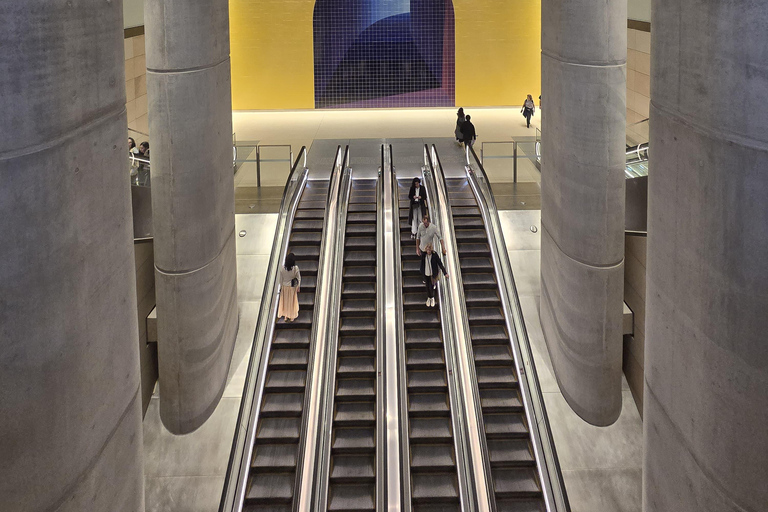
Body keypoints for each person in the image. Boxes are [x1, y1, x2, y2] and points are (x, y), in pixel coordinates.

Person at [420, 243, 448, 307]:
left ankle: (432, 298)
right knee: (427, 286)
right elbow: (422, 264)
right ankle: (429, 297)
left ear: (431, 250)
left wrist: (445, 273)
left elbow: (440, 263)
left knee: (431, 286)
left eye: (429, 250)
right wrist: (421, 272)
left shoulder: (435, 255)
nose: (428, 251)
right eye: (427, 250)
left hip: (432, 274)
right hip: (426, 274)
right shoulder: (424, 255)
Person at [278, 253, 301, 322]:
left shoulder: (282, 268)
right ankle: (291, 316)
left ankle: (286, 316)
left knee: (285, 302)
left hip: (284, 287)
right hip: (292, 287)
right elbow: (298, 278)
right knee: (292, 302)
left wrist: (281, 286)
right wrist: (298, 286)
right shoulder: (295, 268)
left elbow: (280, 279)